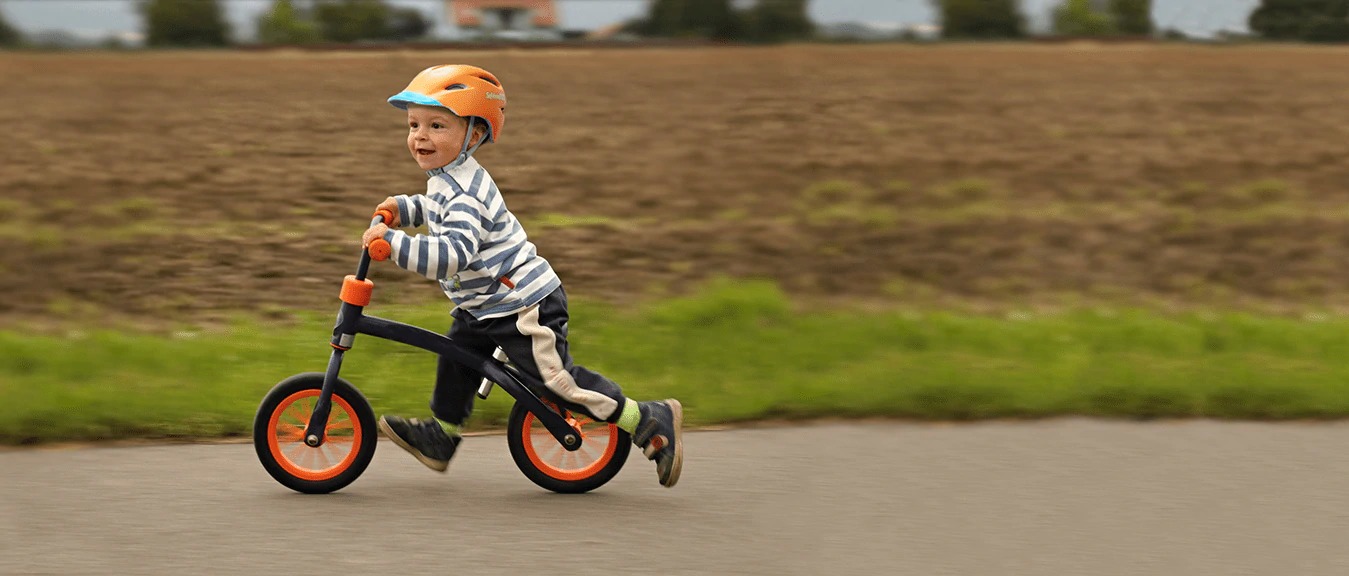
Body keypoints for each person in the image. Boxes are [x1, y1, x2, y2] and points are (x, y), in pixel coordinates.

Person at [362, 64, 683, 487]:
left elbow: (452, 254)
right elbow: (435, 208)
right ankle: (442, 436)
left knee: (557, 383)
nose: (420, 135)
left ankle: (647, 418)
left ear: (474, 135)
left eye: (437, 125)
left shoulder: (465, 193)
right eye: (414, 124)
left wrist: (394, 245)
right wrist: (407, 209)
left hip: (522, 304)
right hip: (485, 304)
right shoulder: (446, 178)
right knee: (456, 358)